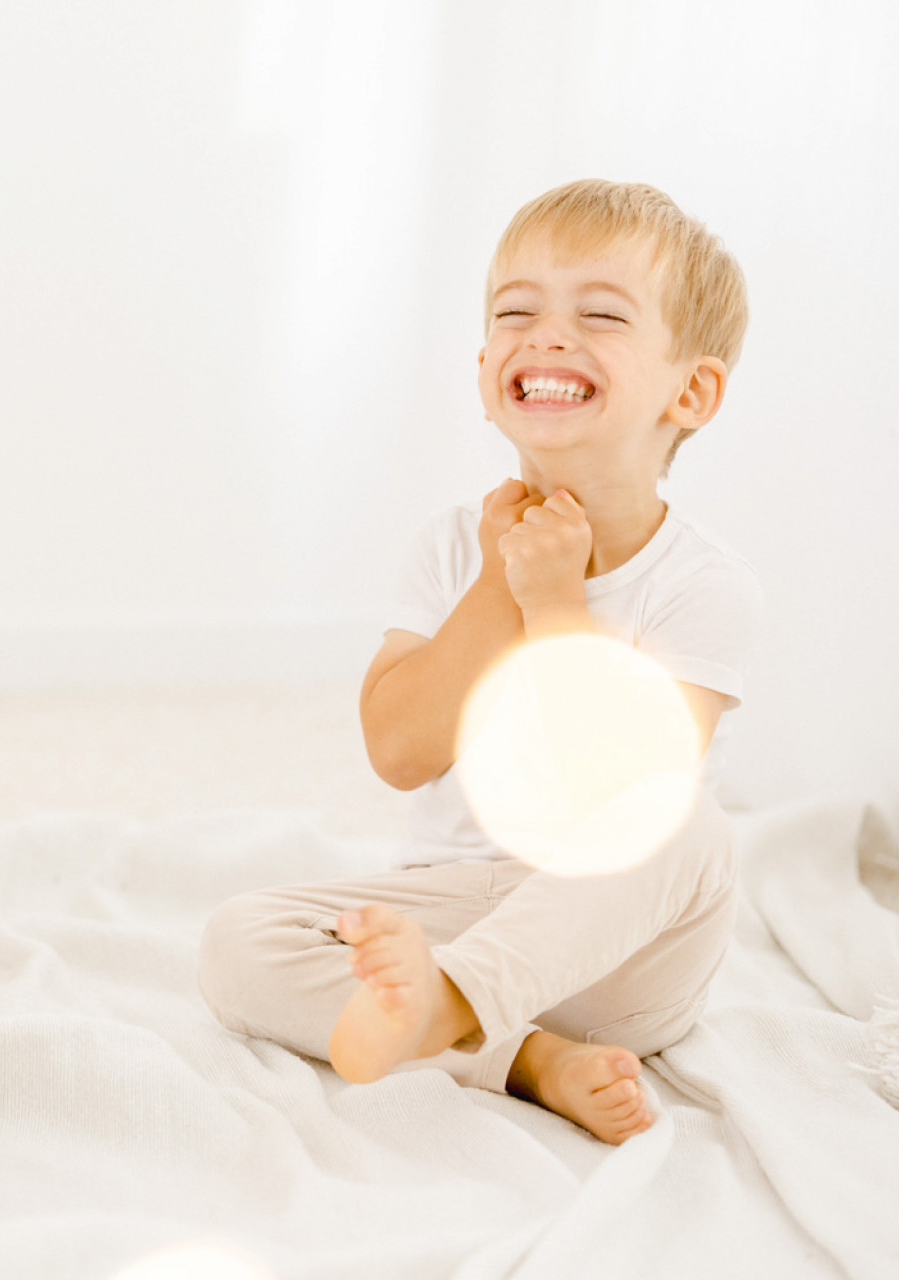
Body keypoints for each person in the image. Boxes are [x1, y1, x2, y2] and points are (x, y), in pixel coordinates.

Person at [197, 181, 763, 1144]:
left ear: (691, 392)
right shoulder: (454, 550)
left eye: (597, 314)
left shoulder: (703, 584)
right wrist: (500, 586)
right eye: (516, 312)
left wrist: (554, 603)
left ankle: (456, 1004)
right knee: (235, 943)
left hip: (618, 954)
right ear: (484, 367)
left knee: (687, 817)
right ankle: (524, 1056)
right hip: (462, 905)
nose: (545, 334)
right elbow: (400, 751)